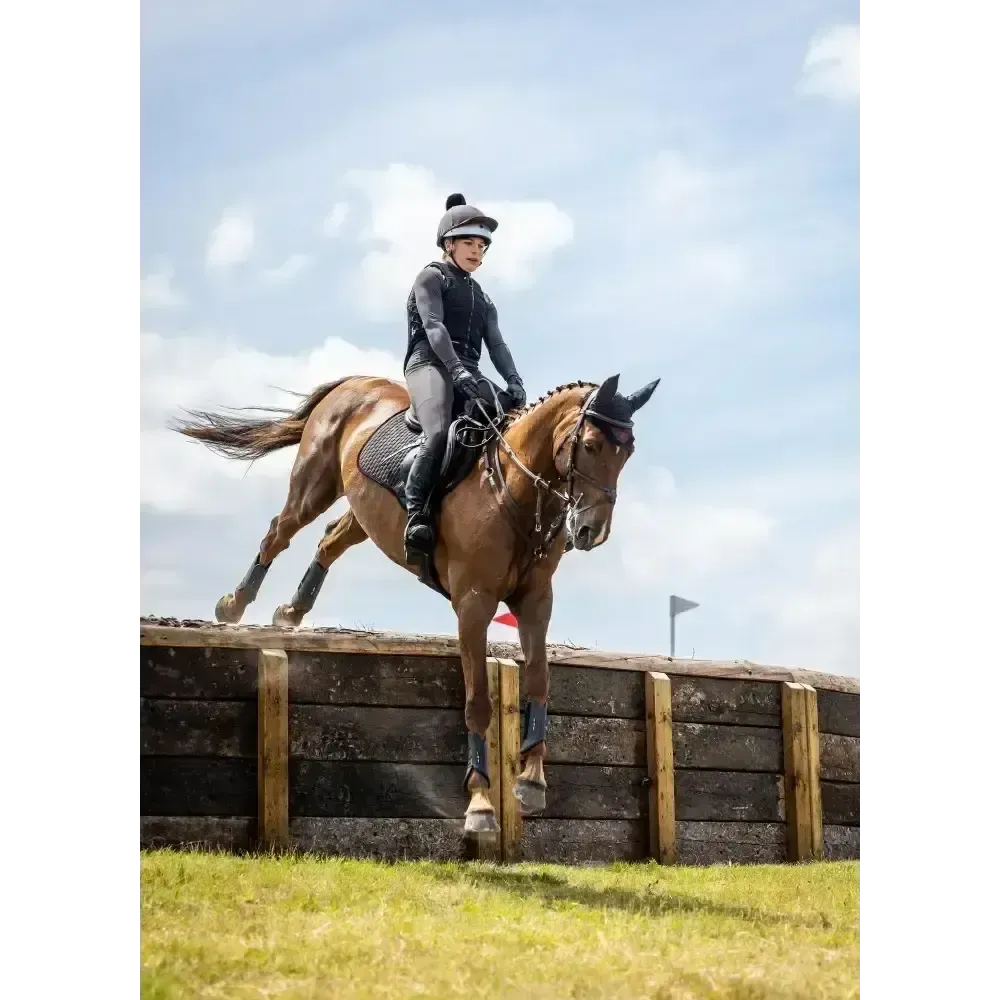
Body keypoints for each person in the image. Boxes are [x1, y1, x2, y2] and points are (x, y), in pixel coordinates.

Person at [401, 193, 528, 559]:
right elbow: (435, 327)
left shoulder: (483, 298)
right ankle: (416, 515)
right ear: (449, 244)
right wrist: (455, 368)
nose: (477, 252)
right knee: (439, 432)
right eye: (469, 243)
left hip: (468, 371)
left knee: (513, 428)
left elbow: (498, 346)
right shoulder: (431, 277)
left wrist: (514, 381)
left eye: (482, 246)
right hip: (430, 364)